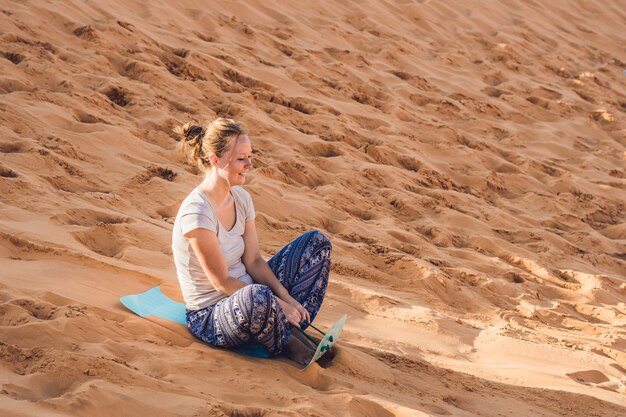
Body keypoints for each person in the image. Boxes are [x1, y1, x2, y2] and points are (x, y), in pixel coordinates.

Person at [171, 117, 332, 365]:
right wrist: (276, 303)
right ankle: (288, 342)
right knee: (257, 296)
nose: (249, 164)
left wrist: (287, 301)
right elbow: (222, 282)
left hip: (258, 299)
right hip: (212, 315)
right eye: (241, 159)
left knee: (317, 243)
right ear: (215, 160)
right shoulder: (198, 212)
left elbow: (254, 260)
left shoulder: (242, 198)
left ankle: (291, 324)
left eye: (249, 156)